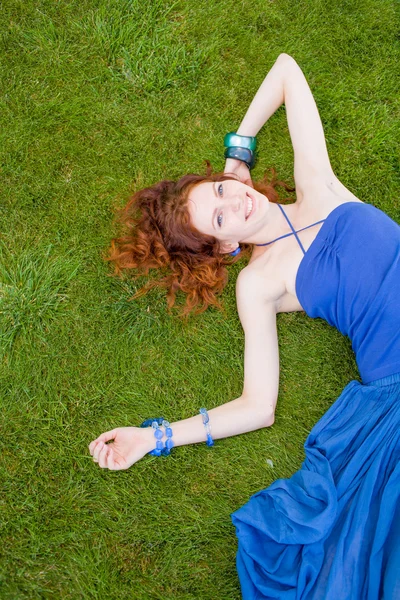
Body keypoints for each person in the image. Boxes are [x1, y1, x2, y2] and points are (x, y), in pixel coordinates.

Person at [89, 54, 400, 599]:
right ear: (223, 247)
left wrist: (239, 148)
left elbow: (287, 71)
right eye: (219, 217)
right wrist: (153, 437)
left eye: (220, 189)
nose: (236, 201)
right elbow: (258, 406)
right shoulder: (258, 284)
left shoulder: (319, 186)